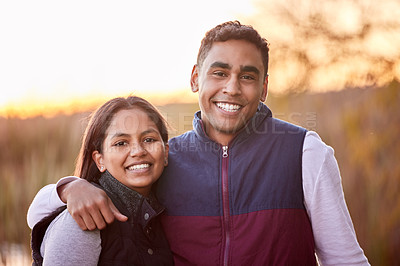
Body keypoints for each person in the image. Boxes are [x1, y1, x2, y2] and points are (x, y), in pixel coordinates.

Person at [28, 21, 370, 265]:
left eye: (247, 76)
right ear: (196, 78)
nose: (232, 88)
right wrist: (68, 188)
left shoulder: (304, 152)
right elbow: (38, 215)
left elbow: (344, 259)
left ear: (264, 88)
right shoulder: (166, 158)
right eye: (219, 73)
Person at [30, 96, 174, 265]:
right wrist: (67, 189)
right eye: (121, 143)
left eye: (149, 139)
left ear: (165, 152)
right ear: (100, 160)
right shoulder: (84, 219)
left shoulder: (162, 210)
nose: (138, 151)